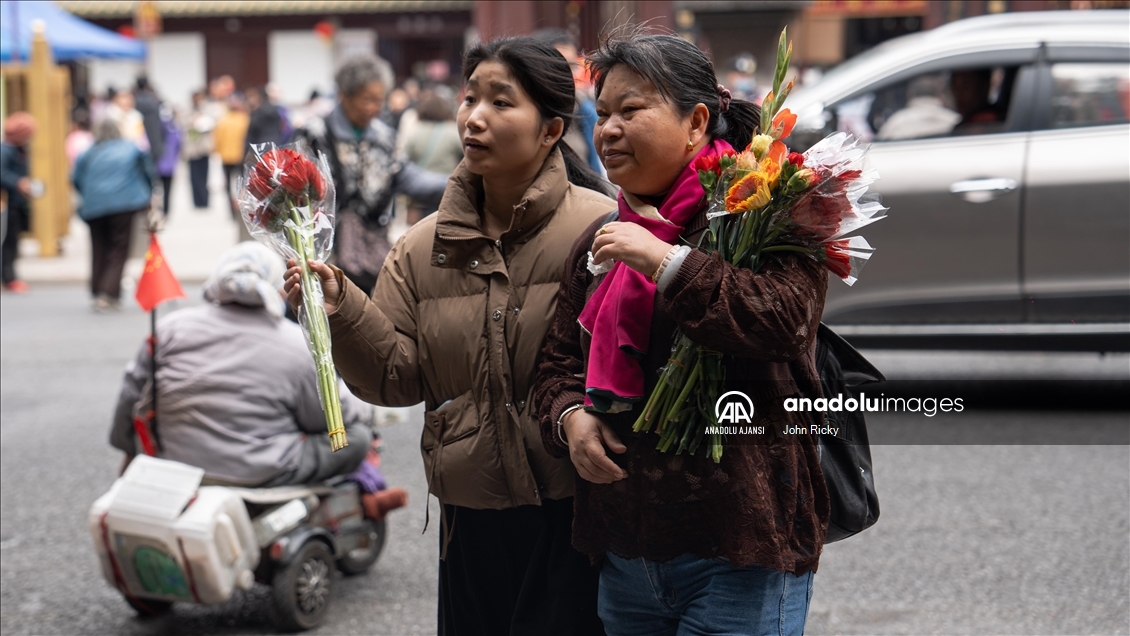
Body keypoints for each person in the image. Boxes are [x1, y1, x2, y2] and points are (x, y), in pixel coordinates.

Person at [285, 37, 615, 635]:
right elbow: (397, 377)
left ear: (550, 131)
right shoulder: (420, 247)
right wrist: (341, 309)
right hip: (472, 514)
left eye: (500, 101)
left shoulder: (603, 231)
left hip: (575, 511)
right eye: (470, 98)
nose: (476, 116)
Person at [533, 31, 830, 636]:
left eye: (631, 110)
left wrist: (667, 264)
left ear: (696, 122)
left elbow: (785, 321)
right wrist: (569, 417)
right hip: (629, 549)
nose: (608, 129)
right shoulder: (606, 237)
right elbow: (556, 363)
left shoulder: (763, 211)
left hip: (740, 549)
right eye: (603, 112)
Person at [109, 242, 375, 488]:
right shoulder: (296, 343)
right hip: (257, 472)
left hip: (173, 463)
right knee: (358, 437)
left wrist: (129, 452)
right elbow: (326, 416)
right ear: (278, 289)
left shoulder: (170, 328)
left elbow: (131, 395)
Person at [294, 54, 448, 294]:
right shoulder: (314, 134)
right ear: (344, 94)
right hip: (323, 252)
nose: (374, 108)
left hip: (371, 249)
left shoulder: (384, 137)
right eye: (367, 99)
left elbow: (407, 176)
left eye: (379, 100)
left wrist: (457, 182)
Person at [73, 119, 157, 312]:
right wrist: (148, 195)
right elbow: (148, 173)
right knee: (119, 248)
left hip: (94, 205)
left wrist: (89, 194)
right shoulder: (132, 149)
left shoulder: (88, 152)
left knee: (99, 247)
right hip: (124, 203)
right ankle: (108, 293)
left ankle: (97, 289)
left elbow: (76, 178)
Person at [402, 88, 463, 225]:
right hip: (446, 193)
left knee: (420, 238)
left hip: (419, 197)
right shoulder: (453, 133)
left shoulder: (414, 133)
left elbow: (405, 164)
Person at [0, 112, 36, 294]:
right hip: (8, 203)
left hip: (15, 202)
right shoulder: (6, 150)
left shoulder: (17, 150)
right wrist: (18, 183)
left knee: (11, 241)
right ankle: (8, 276)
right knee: (8, 241)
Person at [213, 94, 250, 224]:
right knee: (242, 185)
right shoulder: (245, 119)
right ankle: (242, 209)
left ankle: (231, 212)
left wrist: (218, 151)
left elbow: (217, 138)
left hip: (226, 156)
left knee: (228, 186)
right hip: (241, 157)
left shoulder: (223, 120)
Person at [183, 90, 215, 209]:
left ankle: (205, 201)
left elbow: (211, 123)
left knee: (204, 176)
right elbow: (184, 125)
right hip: (192, 149)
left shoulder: (207, 110)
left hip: (204, 148)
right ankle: (196, 202)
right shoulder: (187, 111)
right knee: (194, 177)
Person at [155, 106, 183, 217]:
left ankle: (163, 210)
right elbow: (179, 146)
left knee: (158, 190)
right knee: (167, 189)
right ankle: (166, 210)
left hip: (160, 164)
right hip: (168, 164)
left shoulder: (157, 128)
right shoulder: (174, 128)